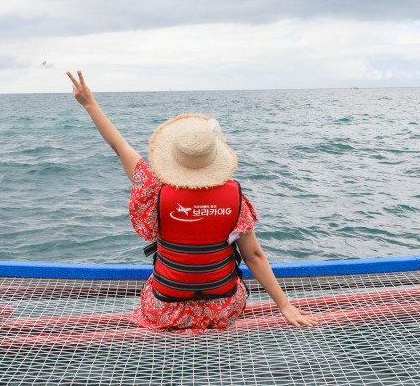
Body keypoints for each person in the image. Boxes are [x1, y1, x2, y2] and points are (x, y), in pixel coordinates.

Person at [68, 70, 317, 331]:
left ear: (173, 157)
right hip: (223, 309)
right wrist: (284, 306)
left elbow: (119, 146)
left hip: (165, 310)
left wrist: (89, 104)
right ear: (215, 157)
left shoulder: (154, 188)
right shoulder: (236, 197)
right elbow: (254, 256)